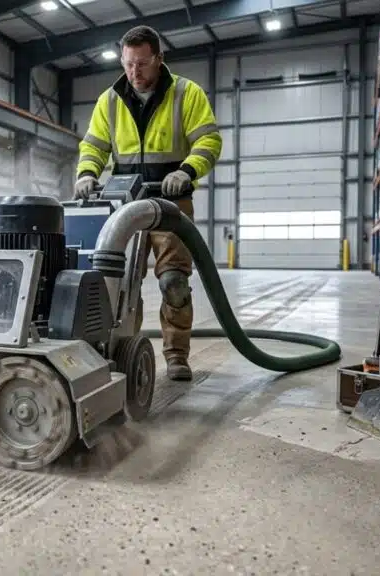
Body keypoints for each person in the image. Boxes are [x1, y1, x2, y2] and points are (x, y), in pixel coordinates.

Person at [73, 25, 222, 381]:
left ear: (159, 58)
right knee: (120, 283)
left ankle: (176, 355)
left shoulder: (187, 94)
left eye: (141, 64)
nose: (134, 73)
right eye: (127, 64)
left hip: (171, 207)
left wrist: (187, 171)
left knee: (173, 282)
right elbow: (93, 146)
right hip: (125, 207)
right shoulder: (110, 100)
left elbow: (209, 142)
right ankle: (122, 351)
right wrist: (86, 173)